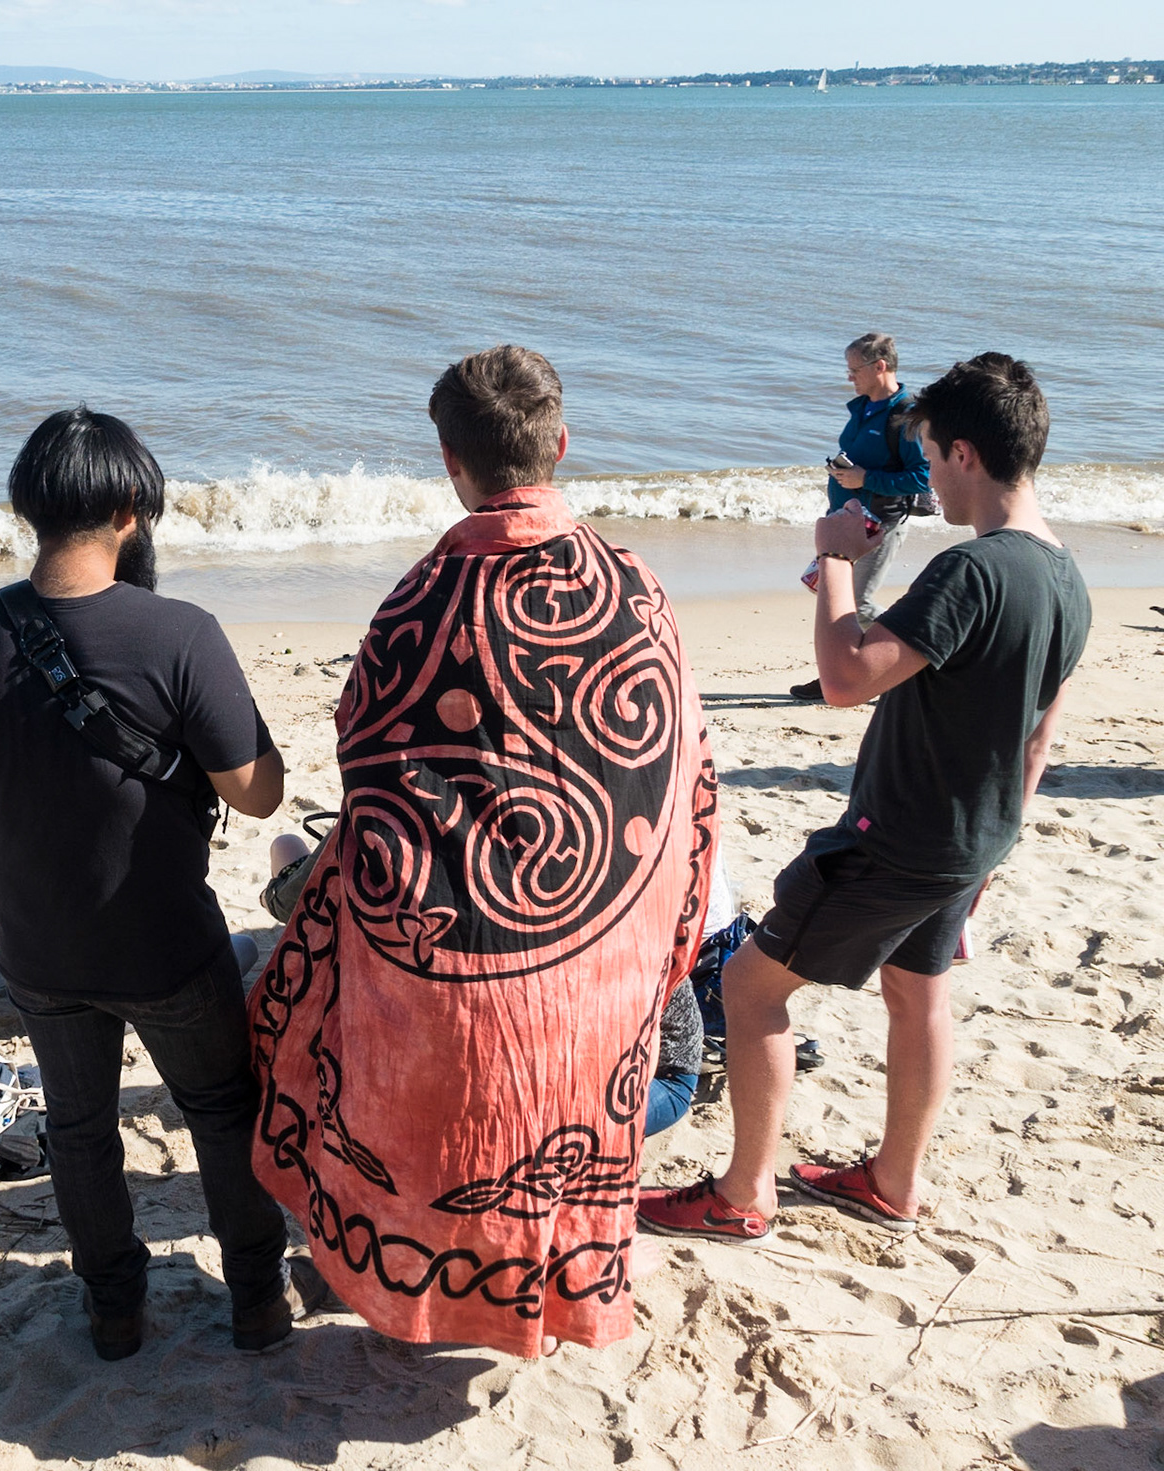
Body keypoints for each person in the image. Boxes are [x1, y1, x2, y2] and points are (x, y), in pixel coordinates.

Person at [248, 346, 718, 1359]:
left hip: (456, 984)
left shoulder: (415, 603)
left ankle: (397, 1272)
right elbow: (685, 785)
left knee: (317, 1009)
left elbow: (372, 779)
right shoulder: (637, 588)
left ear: (450, 461)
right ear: (560, 445)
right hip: (598, 976)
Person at [640, 353, 1090, 1242]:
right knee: (916, 991)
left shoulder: (975, 572)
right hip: (974, 836)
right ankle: (893, 1179)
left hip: (899, 836)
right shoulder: (1065, 574)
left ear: (965, 452)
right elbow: (1040, 734)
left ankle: (741, 1194)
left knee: (751, 983)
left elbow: (845, 676)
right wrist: (997, 844)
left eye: (930, 453)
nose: (929, 477)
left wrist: (836, 558)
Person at [0, 406, 314, 1360]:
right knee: (220, 1111)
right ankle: (255, 1298)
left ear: (25, 506)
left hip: (40, 945)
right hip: (166, 939)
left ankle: (114, 1309)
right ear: (133, 507)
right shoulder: (178, 629)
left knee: (81, 1129)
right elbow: (258, 798)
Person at [791, 333, 932, 701]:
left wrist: (864, 478)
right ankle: (836, 675)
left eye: (855, 369)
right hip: (846, 522)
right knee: (831, 598)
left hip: (880, 524)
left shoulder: (906, 414)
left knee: (859, 603)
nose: (849, 376)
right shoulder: (864, 407)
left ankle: (919, 661)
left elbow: (921, 476)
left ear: (880, 367)